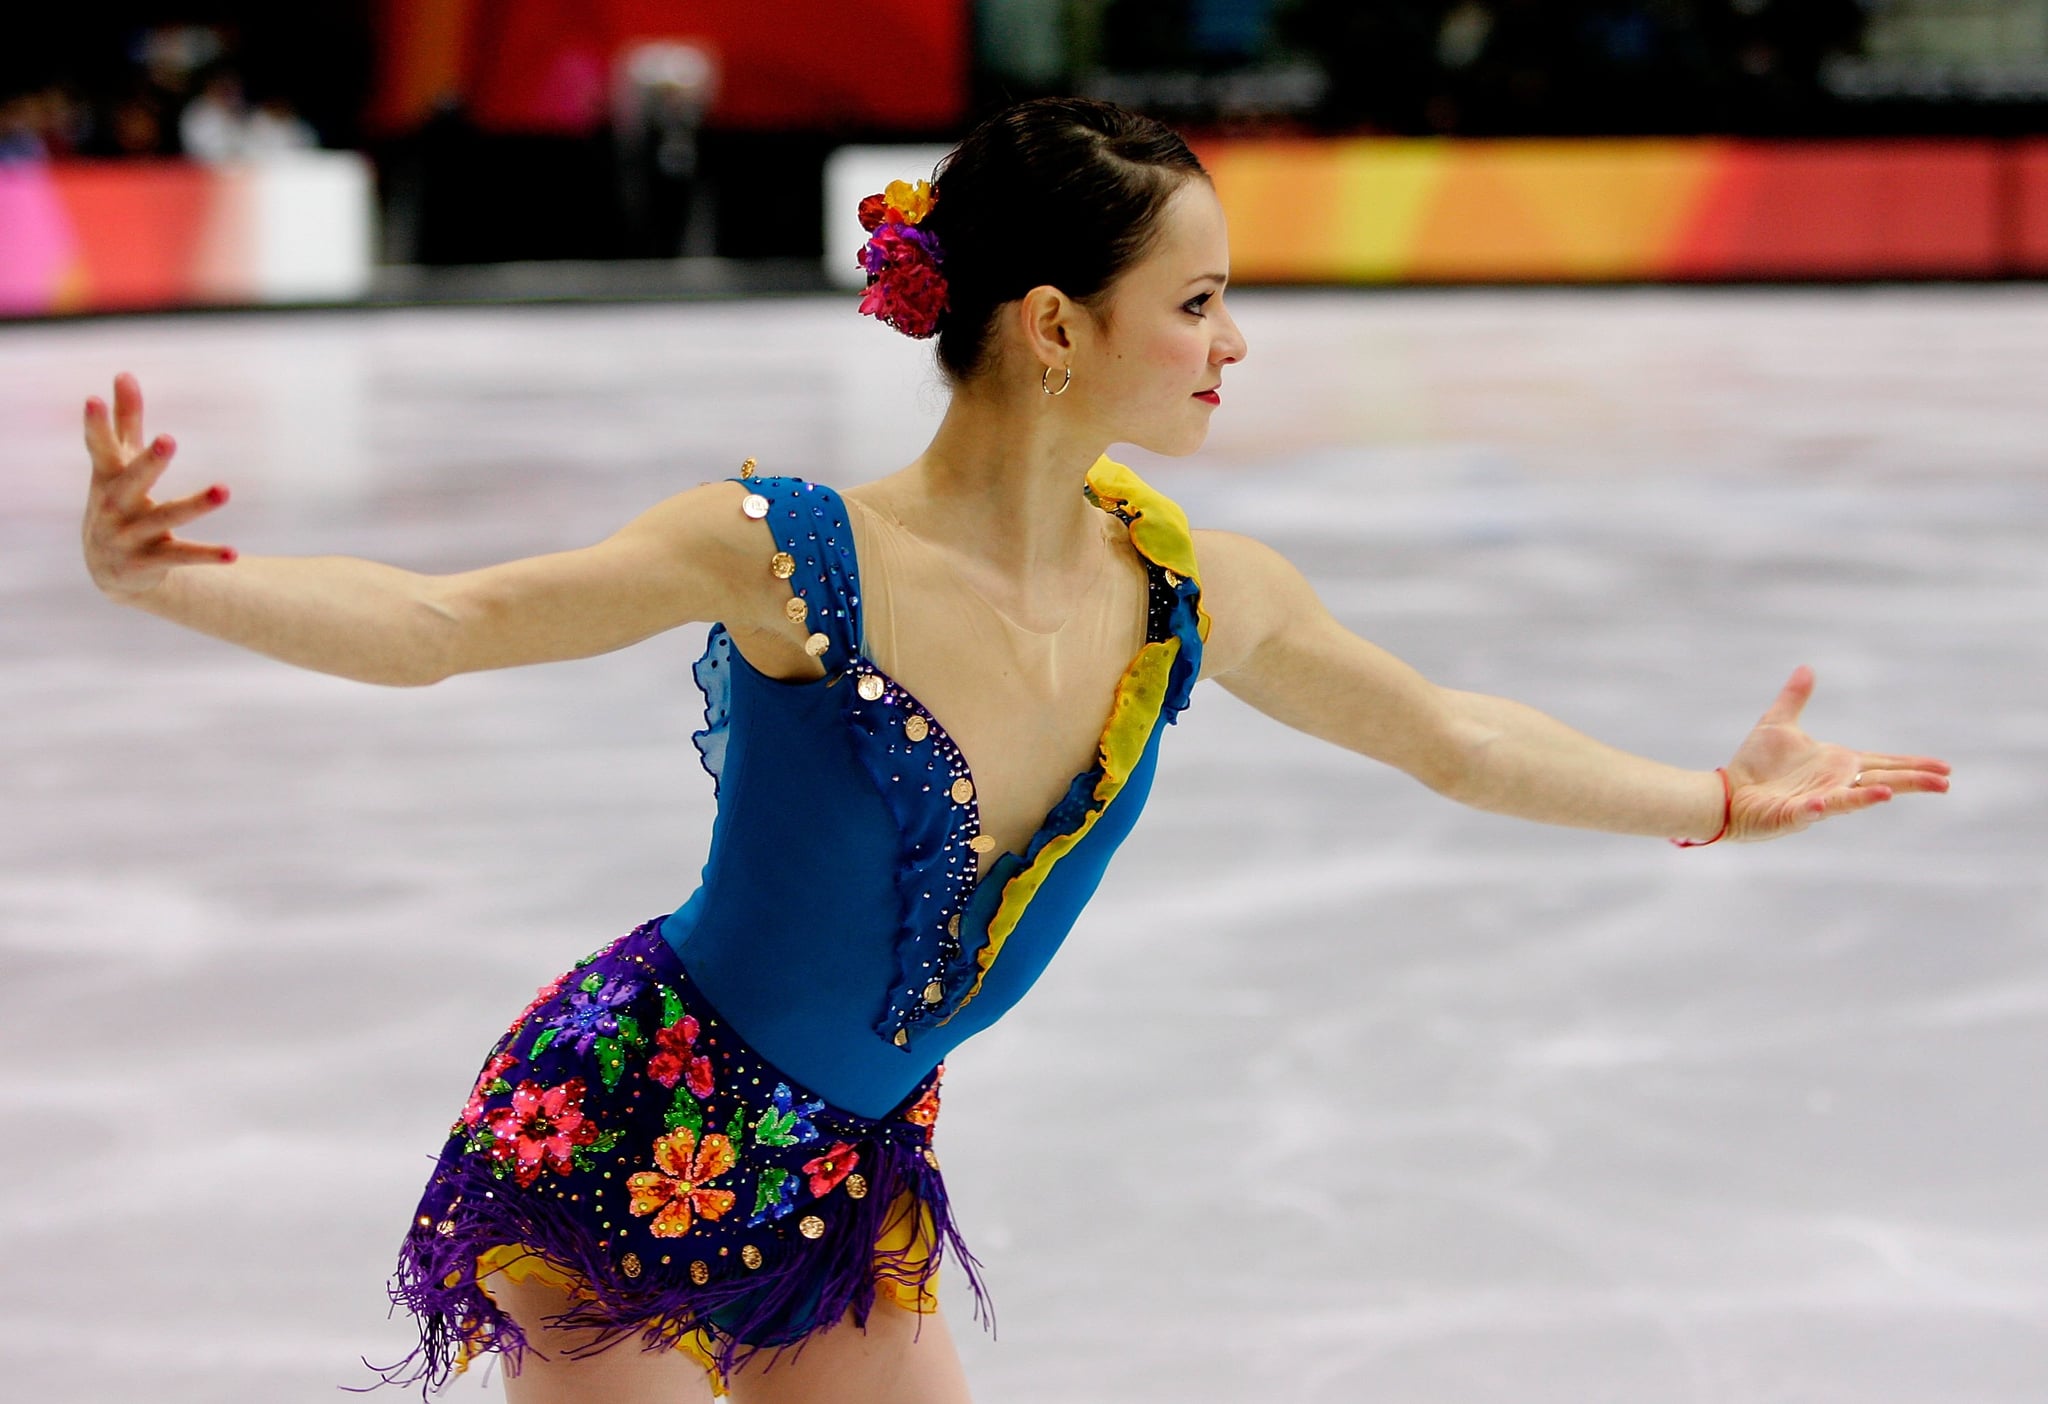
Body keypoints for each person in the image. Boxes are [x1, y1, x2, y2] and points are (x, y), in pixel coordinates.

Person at [77, 97, 1948, 1404]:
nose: (1236, 346)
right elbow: (444, 626)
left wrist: (1718, 800)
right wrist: (174, 584)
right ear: (1059, 326)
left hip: (851, 1170)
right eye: (1199, 302)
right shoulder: (790, 556)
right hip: (622, 1131)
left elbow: (1450, 737)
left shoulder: (1187, 590)